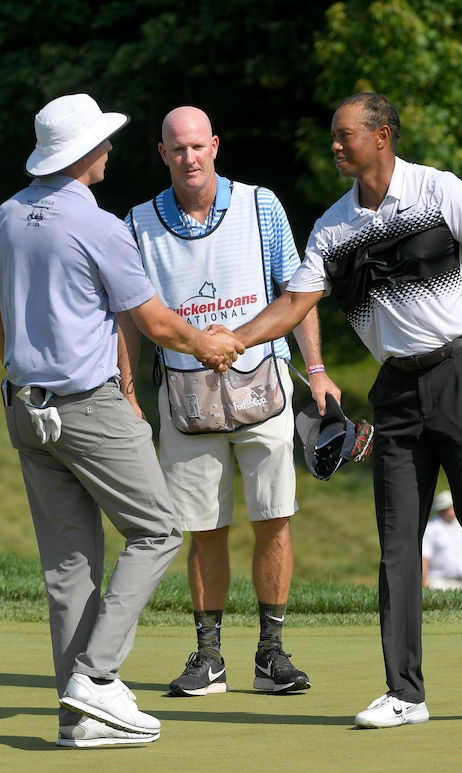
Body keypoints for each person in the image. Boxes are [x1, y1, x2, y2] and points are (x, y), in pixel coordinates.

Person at [231, 92, 462, 727]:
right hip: (396, 390)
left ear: (381, 135)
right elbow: (296, 302)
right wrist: (238, 338)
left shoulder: (440, 191)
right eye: (333, 135)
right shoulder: (333, 227)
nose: (334, 145)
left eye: (344, 134)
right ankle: (404, 693)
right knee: (396, 543)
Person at [0, 93, 243, 748]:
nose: (109, 150)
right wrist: (209, 344)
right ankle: (96, 678)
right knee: (158, 528)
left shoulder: (5, 218)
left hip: (24, 405)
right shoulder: (100, 226)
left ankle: (80, 719)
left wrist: (28, 377)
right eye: (101, 141)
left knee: (69, 565)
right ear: (82, 154)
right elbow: (154, 323)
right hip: (88, 406)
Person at [123, 106, 339, 698]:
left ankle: (271, 655)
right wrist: (127, 389)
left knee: (274, 520)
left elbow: (298, 294)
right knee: (204, 529)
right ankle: (209, 658)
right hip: (184, 402)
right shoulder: (137, 222)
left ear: (214, 146)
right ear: (162, 154)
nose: (189, 157)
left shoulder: (260, 205)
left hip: (263, 388)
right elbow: (130, 319)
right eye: (177, 148)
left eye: (198, 146)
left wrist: (317, 371)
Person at [422, 490, 462, 590]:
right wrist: (425, 582)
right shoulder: (431, 527)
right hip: (437, 583)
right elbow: (424, 557)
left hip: (461, 583)